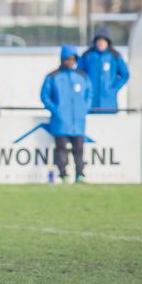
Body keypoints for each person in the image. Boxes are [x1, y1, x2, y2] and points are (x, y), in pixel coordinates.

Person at [40, 45, 93, 184]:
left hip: (78, 121)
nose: (69, 61)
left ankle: (80, 174)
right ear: (62, 59)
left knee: (79, 149)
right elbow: (45, 96)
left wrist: (84, 108)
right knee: (61, 149)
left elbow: (89, 95)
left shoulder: (82, 76)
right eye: (67, 59)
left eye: (72, 59)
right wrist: (56, 110)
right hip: (60, 121)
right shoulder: (53, 76)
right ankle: (63, 175)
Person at [78, 26, 129, 113]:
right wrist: (86, 87)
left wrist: (113, 88)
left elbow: (125, 74)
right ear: (95, 42)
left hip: (109, 102)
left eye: (104, 40)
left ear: (108, 42)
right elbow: (79, 74)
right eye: (99, 40)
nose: (101, 43)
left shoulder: (115, 56)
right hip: (91, 101)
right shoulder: (87, 55)